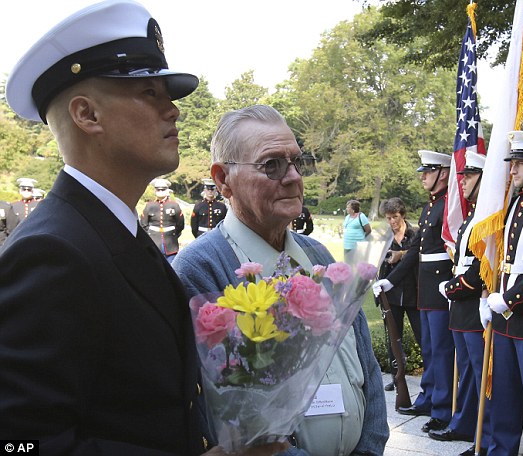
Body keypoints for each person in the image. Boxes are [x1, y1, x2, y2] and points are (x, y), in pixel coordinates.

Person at [0, 2, 286, 455]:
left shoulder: (111, 231)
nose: (173, 111)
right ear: (87, 116)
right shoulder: (53, 252)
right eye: (149, 94)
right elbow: (25, 443)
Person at [172, 105, 389, 456]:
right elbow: (229, 420)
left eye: (295, 162)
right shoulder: (201, 268)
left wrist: (369, 449)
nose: (292, 177)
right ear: (223, 179)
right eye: (270, 164)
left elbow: (368, 369)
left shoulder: (318, 255)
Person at [373, 150, 455, 439]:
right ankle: (430, 399)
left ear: (443, 173)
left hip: (441, 286)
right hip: (426, 288)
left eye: (428, 171)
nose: (422, 176)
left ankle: (442, 409)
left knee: (440, 351)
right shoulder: (430, 207)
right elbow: (415, 255)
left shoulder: (449, 206)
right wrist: (390, 282)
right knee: (431, 350)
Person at [482, 131, 523, 456]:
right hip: (503, 312)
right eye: (512, 162)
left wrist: (511, 299)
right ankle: (500, 450)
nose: (512, 170)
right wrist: (491, 295)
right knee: (504, 394)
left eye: (520, 163)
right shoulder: (518, 202)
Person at [431, 151, 492, 453]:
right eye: (463, 175)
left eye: (469, 176)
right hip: (461, 304)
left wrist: (454, 287)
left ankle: (486, 436)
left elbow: (481, 266)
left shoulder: (488, 215)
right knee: (467, 370)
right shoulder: (473, 214)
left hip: (471, 303)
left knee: (482, 375)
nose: (463, 181)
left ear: (484, 178)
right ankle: (466, 424)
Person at [375, 197, 421, 392]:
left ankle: (431, 377)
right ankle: (397, 378)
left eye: (395, 217)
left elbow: (418, 256)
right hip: (391, 295)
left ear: (402, 214)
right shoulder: (384, 238)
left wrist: (401, 255)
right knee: (393, 338)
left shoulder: (416, 234)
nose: (392, 222)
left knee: (423, 336)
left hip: (414, 294)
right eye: (388, 218)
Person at [140, 177, 185, 263]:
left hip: (170, 244)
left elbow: (180, 224)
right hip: (154, 241)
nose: (160, 192)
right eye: (158, 190)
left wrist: (174, 235)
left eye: (163, 190)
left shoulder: (174, 205)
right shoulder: (149, 206)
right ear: (155, 191)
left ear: (167, 190)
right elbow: (143, 224)